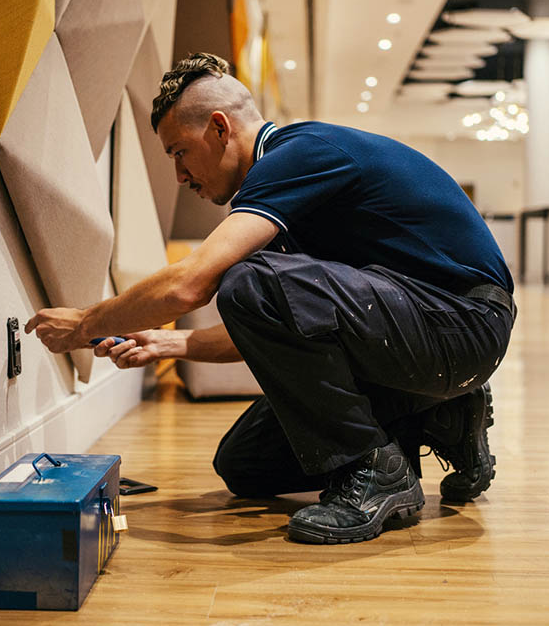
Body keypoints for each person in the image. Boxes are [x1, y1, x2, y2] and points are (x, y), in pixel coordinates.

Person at [26, 53, 515, 544]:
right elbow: (281, 325)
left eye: (178, 151)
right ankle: (440, 416)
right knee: (245, 465)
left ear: (219, 127)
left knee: (248, 280)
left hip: (464, 322)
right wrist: (166, 344)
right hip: (423, 335)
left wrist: (85, 322)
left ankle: (374, 469)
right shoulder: (286, 192)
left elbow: (190, 284)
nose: (178, 174)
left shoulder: (301, 153)